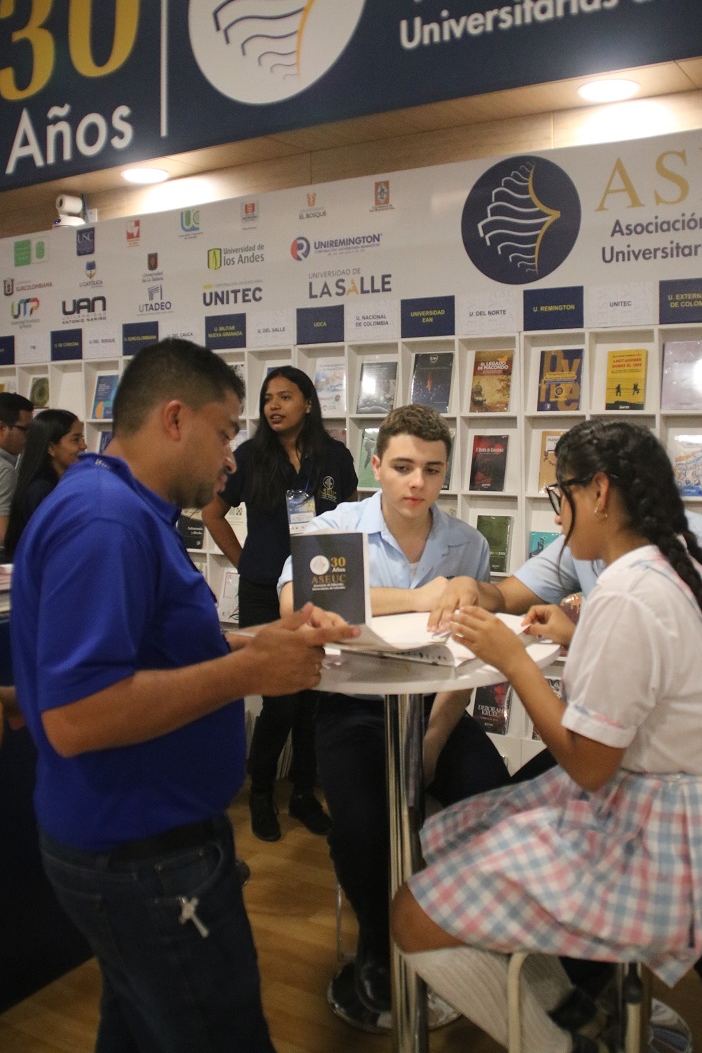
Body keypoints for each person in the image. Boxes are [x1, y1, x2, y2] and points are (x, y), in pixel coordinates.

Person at [10, 338, 357, 1053]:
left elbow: (158, 648)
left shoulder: (124, 509)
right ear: (175, 419)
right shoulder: (105, 521)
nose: (232, 456)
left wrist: (262, 643)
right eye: (226, 432)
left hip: (144, 845)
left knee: (136, 1029)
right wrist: (253, 672)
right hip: (142, 855)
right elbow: (78, 716)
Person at [392, 419, 702, 1053]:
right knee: (469, 836)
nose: (557, 518)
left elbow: (588, 766)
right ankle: (577, 1017)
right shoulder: (679, 566)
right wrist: (573, 633)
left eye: (559, 498)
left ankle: (564, 1037)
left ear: (596, 493)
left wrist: (511, 659)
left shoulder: (627, 593)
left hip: (659, 836)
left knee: (411, 912)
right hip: (699, 811)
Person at [277, 404, 510, 1025]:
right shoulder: (339, 525)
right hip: (352, 708)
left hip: (440, 708)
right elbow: (295, 598)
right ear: (375, 465)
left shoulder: (468, 543)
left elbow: (471, 651)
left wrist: (433, 740)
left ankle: (463, 938)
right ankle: (379, 947)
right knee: (358, 828)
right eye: (403, 467)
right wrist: (417, 597)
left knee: (494, 804)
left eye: (432, 470)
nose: (417, 483)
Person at [202, 365, 357, 842]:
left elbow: (351, 514)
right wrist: (246, 560)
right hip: (265, 589)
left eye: (285, 397)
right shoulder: (248, 456)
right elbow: (212, 511)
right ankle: (264, 791)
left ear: (308, 404)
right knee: (281, 701)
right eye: (268, 398)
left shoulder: (335, 455)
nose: (273, 405)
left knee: (315, 698)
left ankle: (305, 795)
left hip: (323, 587)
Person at [3, 409, 86, 560]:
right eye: (76, 440)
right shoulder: (41, 491)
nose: (84, 446)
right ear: (51, 448)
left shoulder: (55, 485)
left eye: (82, 438)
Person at [0, 392, 33, 550]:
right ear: (2, 428)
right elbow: (3, 533)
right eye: (24, 430)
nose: (28, 438)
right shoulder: (5, 470)